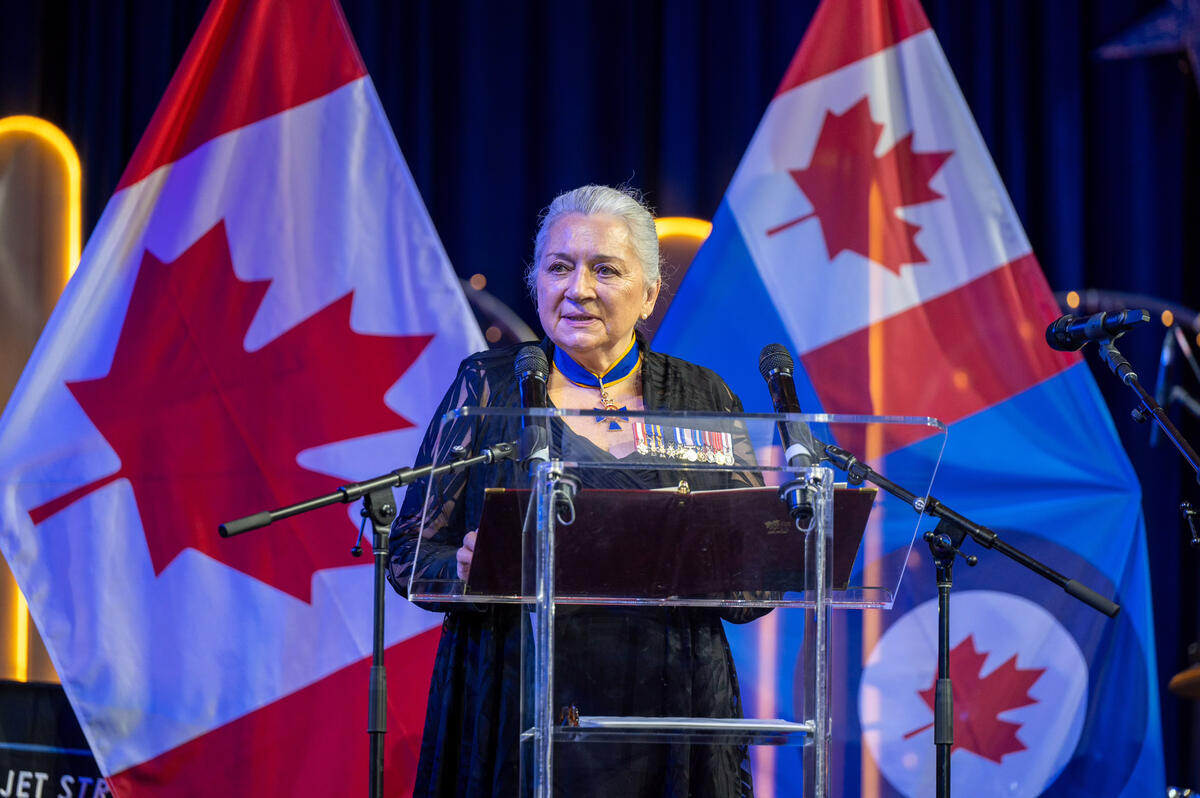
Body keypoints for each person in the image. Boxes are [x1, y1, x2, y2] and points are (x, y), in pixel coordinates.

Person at [388, 185, 763, 797]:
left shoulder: (702, 397)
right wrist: (465, 569)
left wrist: (710, 562)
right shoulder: (488, 389)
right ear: (537, 282)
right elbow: (408, 554)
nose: (578, 289)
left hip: (668, 710)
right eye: (559, 267)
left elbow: (755, 581)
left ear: (648, 294)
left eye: (605, 269)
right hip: (514, 700)